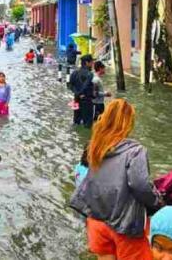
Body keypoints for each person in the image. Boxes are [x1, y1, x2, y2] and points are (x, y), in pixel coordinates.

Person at [70, 99, 162, 260]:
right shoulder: (135, 151)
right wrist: (157, 202)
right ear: (128, 122)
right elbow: (140, 185)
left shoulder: (95, 146)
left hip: (96, 221)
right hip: (124, 225)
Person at [69, 54, 95, 128]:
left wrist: (77, 94)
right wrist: (80, 93)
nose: (92, 64)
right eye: (91, 62)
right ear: (87, 62)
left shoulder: (74, 73)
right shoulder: (90, 74)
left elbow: (70, 85)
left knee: (76, 122)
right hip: (87, 101)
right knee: (87, 124)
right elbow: (85, 86)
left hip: (76, 101)